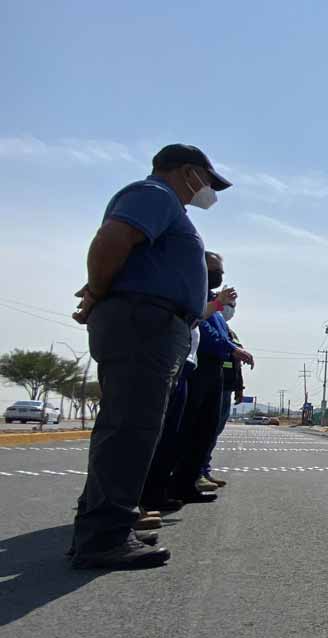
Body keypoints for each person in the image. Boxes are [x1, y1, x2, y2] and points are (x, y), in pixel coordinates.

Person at [68, 144, 231, 570]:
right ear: (190, 172)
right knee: (130, 427)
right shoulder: (154, 195)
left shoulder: (165, 203)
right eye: (208, 182)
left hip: (154, 323)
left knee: (133, 426)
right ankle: (104, 535)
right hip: (144, 321)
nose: (208, 191)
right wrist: (97, 291)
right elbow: (112, 240)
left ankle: (108, 520)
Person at [169, 252, 255, 502]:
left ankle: (189, 482)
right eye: (215, 270)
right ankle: (172, 484)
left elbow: (220, 330)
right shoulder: (196, 299)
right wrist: (232, 349)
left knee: (205, 431)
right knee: (190, 429)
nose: (219, 276)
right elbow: (204, 331)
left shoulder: (215, 309)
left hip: (215, 374)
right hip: (198, 369)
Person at [139, 326, 201, 512]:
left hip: (181, 362)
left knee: (169, 437)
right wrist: (215, 304)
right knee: (147, 434)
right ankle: (119, 512)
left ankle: (154, 494)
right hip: (163, 355)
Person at [201, 311, 243, 488]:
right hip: (210, 382)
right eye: (228, 304)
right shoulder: (212, 324)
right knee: (204, 430)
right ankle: (196, 471)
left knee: (214, 431)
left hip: (226, 386)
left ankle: (204, 468)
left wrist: (239, 387)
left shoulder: (230, 333)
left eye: (233, 305)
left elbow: (237, 364)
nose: (230, 308)